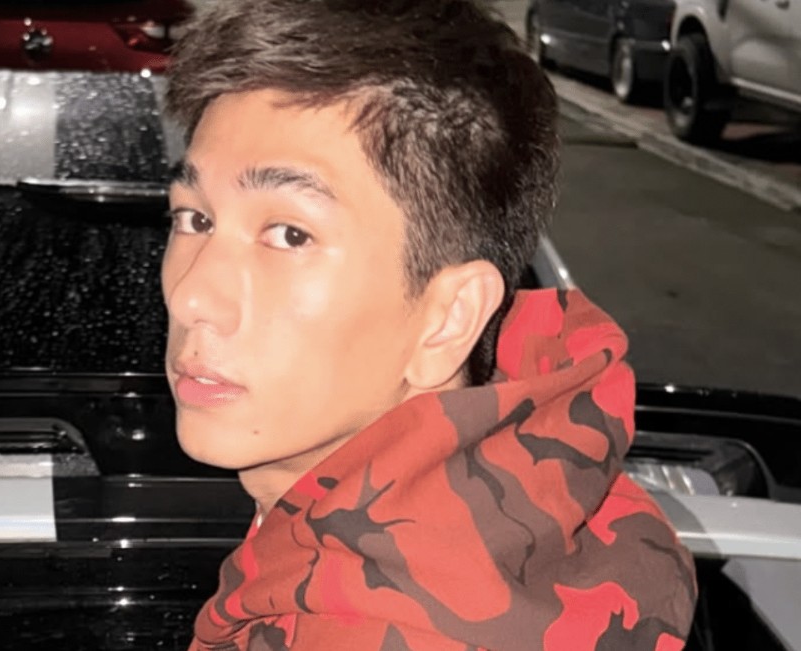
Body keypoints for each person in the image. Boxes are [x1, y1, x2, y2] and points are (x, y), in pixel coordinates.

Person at [159, 0, 697, 648]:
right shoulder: (574, 502)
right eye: (194, 218)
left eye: (290, 233)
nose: (192, 296)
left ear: (449, 319)